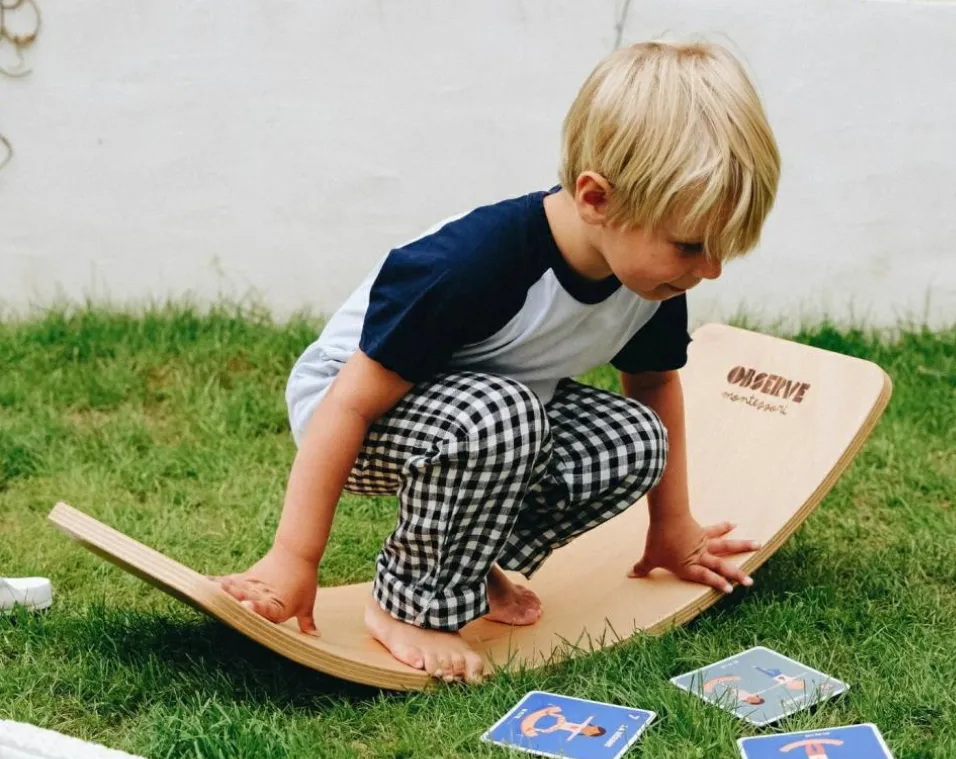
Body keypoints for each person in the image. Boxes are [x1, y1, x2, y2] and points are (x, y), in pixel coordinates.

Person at [216, 40, 780, 684]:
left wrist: (674, 525)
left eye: (720, 251)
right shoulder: (473, 265)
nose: (707, 271)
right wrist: (294, 558)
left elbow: (652, 384)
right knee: (501, 413)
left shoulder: (652, 280)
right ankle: (410, 608)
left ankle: (461, 570)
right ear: (597, 199)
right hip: (353, 415)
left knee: (632, 440)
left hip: (492, 422)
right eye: (690, 246)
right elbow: (349, 401)